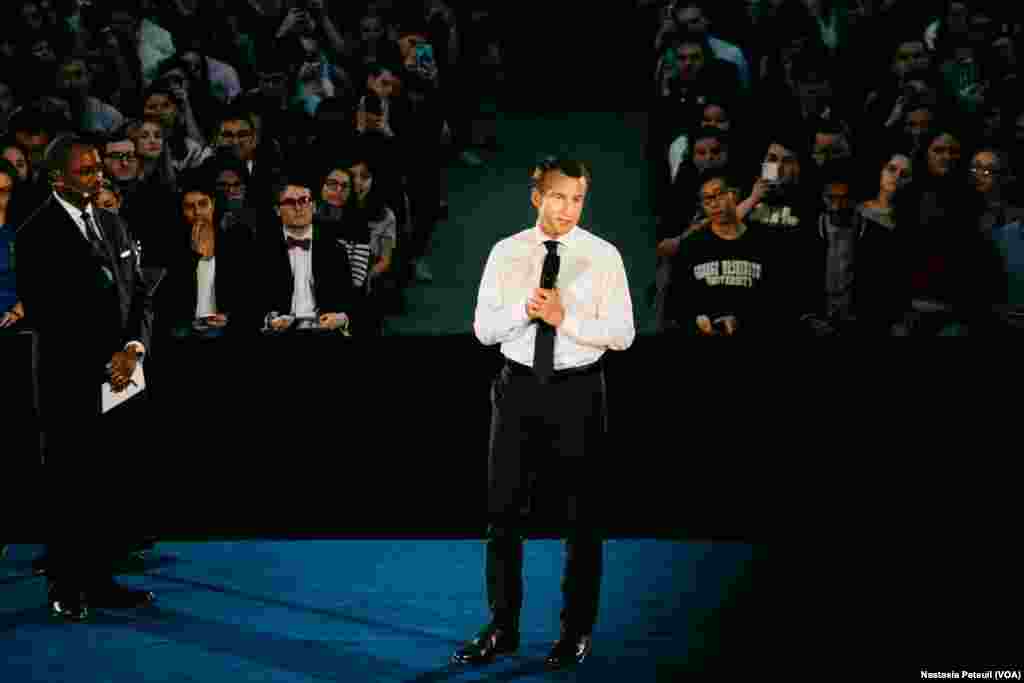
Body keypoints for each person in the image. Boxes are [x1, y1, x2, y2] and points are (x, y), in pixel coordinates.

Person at [456, 157, 635, 670]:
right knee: (503, 516)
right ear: (537, 197)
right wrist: (526, 311)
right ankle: (502, 627)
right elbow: (484, 330)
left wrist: (565, 317)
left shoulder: (604, 256)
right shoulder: (506, 252)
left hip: (579, 392)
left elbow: (622, 335)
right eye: (558, 197)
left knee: (582, 520)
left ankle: (575, 631)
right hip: (516, 390)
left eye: (577, 198)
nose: (568, 208)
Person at [15, 134, 158, 620]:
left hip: (121, 376)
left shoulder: (115, 225)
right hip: (68, 381)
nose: (97, 176)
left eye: (98, 167)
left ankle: (100, 581)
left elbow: (140, 295)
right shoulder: (35, 234)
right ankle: (65, 585)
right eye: (85, 171)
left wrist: (133, 350)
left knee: (107, 480)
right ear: (58, 178)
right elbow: (48, 313)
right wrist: (109, 357)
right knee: (68, 482)